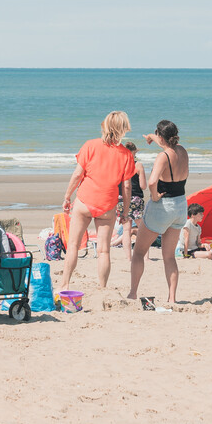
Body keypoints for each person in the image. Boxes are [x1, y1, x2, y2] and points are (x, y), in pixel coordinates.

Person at [60, 111, 136, 290]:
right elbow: (126, 187)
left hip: (85, 201)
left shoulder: (90, 145)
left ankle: (64, 284)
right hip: (107, 206)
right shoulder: (126, 155)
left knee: (73, 245)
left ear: (104, 126)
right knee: (104, 251)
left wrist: (67, 196)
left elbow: (78, 174)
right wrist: (125, 212)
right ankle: (102, 289)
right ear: (123, 130)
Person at [129, 120, 188, 307]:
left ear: (162, 137)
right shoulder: (183, 151)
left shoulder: (163, 156)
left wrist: (154, 197)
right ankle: (172, 298)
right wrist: (150, 137)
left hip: (163, 206)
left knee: (138, 252)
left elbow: (153, 182)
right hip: (180, 205)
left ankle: (132, 293)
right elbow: (164, 141)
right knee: (169, 256)